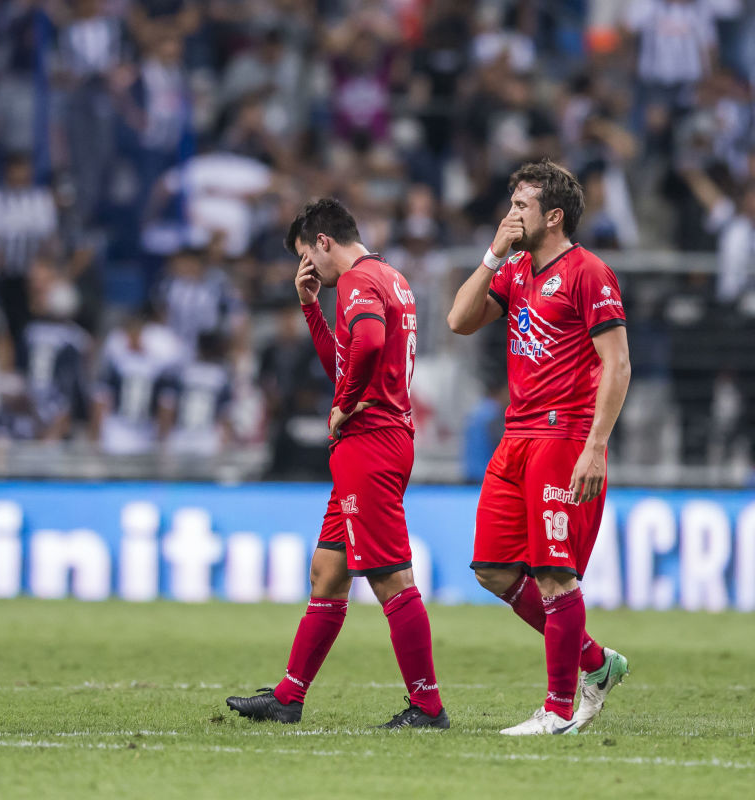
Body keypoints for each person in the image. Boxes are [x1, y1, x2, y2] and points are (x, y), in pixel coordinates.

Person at [226, 199, 448, 730]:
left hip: (370, 443)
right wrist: (310, 308)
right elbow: (345, 361)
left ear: (323, 241)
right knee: (327, 573)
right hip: (377, 440)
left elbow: (367, 344)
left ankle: (428, 706)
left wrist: (345, 403)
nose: (308, 268)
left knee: (391, 578)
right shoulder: (390, 278)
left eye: (307, 256)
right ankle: (288, 697)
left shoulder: (355, 280)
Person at [446, 160, 632, 735]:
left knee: (554, 573)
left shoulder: (588, 272)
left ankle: (558, 711)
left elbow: (618, 364)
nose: (510, 214)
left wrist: (595, 447)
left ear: (553, 216)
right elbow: (458, 320)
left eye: (521, 205)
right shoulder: (515, 269)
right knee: (492, 569)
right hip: (516, 436)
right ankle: (596, 662)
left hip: (564, 436)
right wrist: (491, 255)